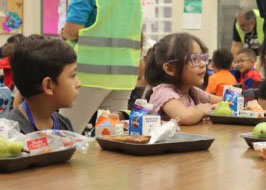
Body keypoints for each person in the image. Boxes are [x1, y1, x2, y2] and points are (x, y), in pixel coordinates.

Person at [61, 0, 143, 133]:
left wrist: (63, 33)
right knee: (113, 138)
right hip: (123, 76)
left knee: (67, 135)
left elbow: (71, 30)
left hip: (88, 76)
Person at [6, 35, 81, 134]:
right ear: (48, 86)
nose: (79, 83)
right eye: (73, 76)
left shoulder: (64, 125)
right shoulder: (11, 133)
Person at [144, 33, 222, 125]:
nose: (203, 64)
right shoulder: (163, 92)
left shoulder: (192, 91)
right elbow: (184, 117)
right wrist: (201, 110)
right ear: (170, 68)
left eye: (203, 57)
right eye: (194, 59)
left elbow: (223, 101)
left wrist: (230, 103)